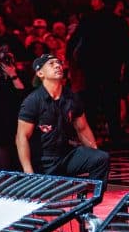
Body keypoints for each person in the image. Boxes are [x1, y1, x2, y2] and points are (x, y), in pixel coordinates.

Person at [15, 53, 110, 195]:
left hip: (66, 155)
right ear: (40, 73)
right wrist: (29, 173)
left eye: (58, 63)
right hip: (44, 161)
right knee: (45, 196)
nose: (57, 66)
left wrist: (93, 150)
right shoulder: (33, 101)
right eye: (51, 64)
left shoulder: (72, 97)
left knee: (101, 158)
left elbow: (82, 128)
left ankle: (87, 199)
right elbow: (21, 137)